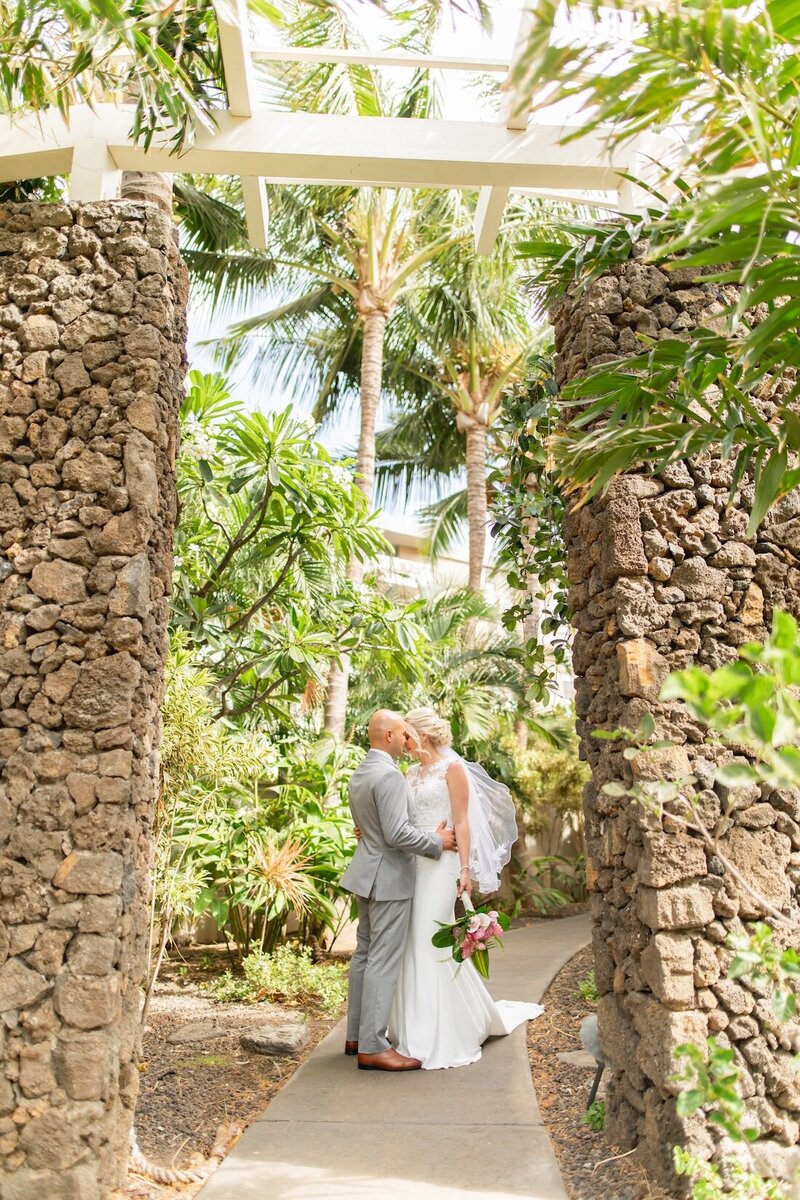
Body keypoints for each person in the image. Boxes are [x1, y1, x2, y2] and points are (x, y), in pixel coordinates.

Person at [387, 706, 543, 1070]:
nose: (404, 742)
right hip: (413, 863)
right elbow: (403, 821)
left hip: (442, 866)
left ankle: (438, 1033)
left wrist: (465, 868)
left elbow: (461, 820)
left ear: (421, 736)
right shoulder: (408, 773)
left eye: (407, 735)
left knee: (430, 939)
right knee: (411, 941)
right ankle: (414, 1026)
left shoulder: (453, 769)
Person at [340, 709, 457, 1072]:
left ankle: (356, 1035)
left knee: (363, 955)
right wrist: (436, 841)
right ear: (389, 735)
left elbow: (370, 827)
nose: (409, 741)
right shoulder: (389, 777)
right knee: (382, 959)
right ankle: (374, 1046)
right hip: (388, 878)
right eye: (404, 734)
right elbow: (397, 834)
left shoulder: (362, 772)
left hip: (365, 874)